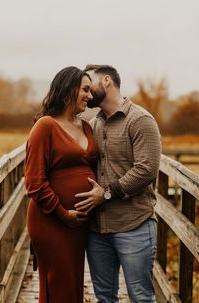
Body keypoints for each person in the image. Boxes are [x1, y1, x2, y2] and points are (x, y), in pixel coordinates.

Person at [75, 64, 161, 303]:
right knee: (104, 298)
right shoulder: (94, 124)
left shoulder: (141, 120)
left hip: (134, 226)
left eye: (88, 84)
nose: (87, 93)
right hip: (97, 229)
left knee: (141, 297)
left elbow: (146, 170)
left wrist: (107, 193)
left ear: (106, 81)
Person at [25, 66, 99, 303]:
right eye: (85, 89)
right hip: (51, 219)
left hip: (78, 223)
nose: (90, 95)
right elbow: (34, 182)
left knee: (73, 281)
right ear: (68, 88)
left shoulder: (86, 126)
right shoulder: (45, 126)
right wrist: (63, 213)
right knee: (59, 283)